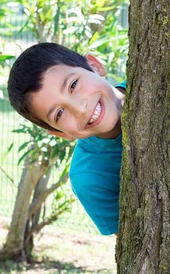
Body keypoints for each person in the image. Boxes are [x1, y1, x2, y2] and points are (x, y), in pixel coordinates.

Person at [7, 42, 125, 235]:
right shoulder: (89, 178)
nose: (80, 108)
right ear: (60, 132)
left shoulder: (157, 79)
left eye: (73, 85)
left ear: (95, 65)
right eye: (60, 113)